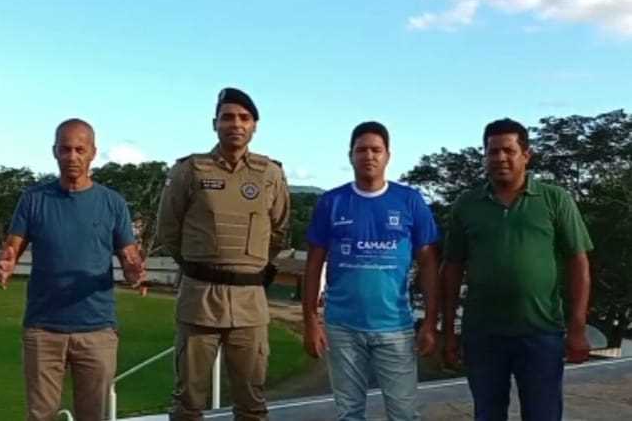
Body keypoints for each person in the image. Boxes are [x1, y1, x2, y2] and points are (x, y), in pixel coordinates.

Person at [0, 118, 146, 421]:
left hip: (97, 330)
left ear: (92, 153)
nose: (72, 156)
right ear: (54, 152)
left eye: (79, 149)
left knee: (94, 415)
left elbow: (129, 256)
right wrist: (5, 263)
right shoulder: (33, 199)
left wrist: (134, 272)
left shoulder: (112, 203)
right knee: (40, 415)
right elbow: (12, 248)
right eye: (65, 149)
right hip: (43, 330)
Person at [442, 118, 593, 421]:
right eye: (492, 151)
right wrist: (448, 331)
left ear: (526, 155)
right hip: (483, 335)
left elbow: (579, 263)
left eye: (508, 151)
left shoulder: (555, 199)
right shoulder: (467, 204)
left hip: (541, 332)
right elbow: (452, 268)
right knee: (487, 414)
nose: (499, 158)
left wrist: (577, 328)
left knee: (543, 414)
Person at [156, 87, 290, 421]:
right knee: (188, 401)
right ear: (214, 123)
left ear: (255, 125)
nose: (236, 124)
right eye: (227, 117)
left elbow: (280, 230)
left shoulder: (270, 175)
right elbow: (168, 229)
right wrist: (199, 264)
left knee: (252, 402)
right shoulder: (190, 170)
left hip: (249, 302)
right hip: (199, 300)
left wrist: (254, 265)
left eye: (244, 118)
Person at [301, 121, 440, 421]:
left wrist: (430, 321)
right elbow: (313, 264)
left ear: (388, 155)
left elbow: (429, 263)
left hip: (395, 327)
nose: (369, 156)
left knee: (403, 413)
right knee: (349, 413)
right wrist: (311, 321)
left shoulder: (409, 200)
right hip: (342, 327)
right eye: (361, 149)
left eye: (376, 150)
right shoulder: (332, 201)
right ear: (350, 155)